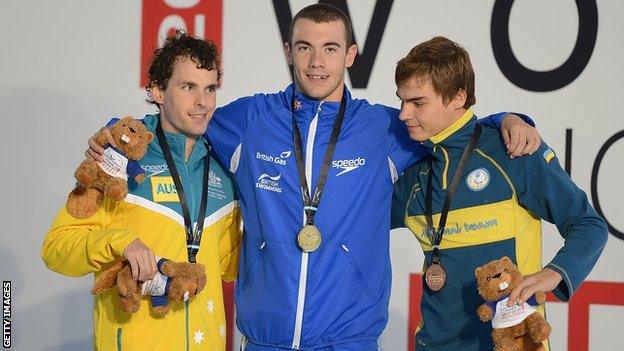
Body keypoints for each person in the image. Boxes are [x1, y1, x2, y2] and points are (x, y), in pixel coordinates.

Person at [88, 5, 539, 350]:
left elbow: (453, 125)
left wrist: (507, 118)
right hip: (266, 339)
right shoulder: (250, 120)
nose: (317, 62)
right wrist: (113, 133)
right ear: (289, 52)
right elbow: (178, 118)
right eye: (304, 47)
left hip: (350, 340)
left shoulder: (382, 129)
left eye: (330, 48)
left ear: (351, 55)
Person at [391, 36, 607, 350]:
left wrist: (555, 273)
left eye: (418, 103)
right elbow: (350, 227)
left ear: (457, 97)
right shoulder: (412, 172)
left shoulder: (513, 151)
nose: (403, 114)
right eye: (402, 100)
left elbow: (588, 224)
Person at [42, 33, 241, 351]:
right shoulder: (117, 157)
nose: (203, 102)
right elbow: (57, 249)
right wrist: (120, 243)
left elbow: (230, 266)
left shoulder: (225, 168)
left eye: (210, 88)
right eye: (188, 87)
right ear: (157, 91)